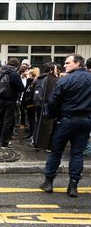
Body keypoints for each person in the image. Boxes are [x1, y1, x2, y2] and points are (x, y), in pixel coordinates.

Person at [39, 54, 91, 197]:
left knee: (56, 151)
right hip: (85, 120)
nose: (65, 65)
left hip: (66, 119)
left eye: (68, 62)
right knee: (77, 153)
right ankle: (73, 185)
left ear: (78, 63)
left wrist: (52, 116)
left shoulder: (66, 80)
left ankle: (48, 182)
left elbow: (53, 101)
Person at [0, 58, 25, 148]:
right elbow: (21, 88)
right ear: (16, 65)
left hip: (0, 99)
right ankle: (4, 142)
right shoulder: (14, 74)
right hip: (10, 100)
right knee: (8, 121)